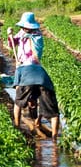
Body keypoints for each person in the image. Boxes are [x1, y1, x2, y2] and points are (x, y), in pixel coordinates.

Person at [7, 12, 59, 140]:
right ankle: (54, 138)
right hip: (41, 75)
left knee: (18, 102)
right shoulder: (23, 33)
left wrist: (20, 62)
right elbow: (12, 44)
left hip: (26, 70)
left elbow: (30, 41)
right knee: (52, 109)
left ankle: (17, 127)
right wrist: (10, 37)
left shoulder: (36, 36)